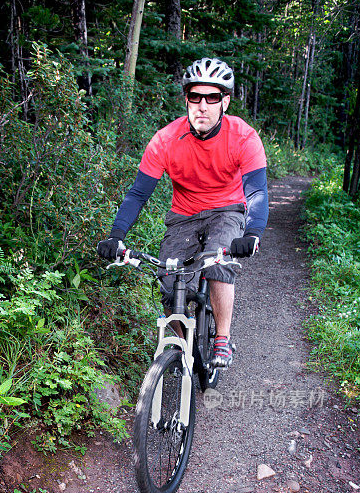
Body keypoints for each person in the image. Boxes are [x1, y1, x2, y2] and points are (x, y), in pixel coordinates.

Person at [97, 57, 269, 368]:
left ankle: (222, 340)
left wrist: (253, 233)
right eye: (195, 96)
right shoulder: (165, 140)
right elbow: (138, 194)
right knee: (168, 280)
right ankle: (182, 349)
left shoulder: (243, 137)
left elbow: (256, 192)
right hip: (184, 215)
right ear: (186, 99)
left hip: (227, 209)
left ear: (225, 102)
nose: (202, 106)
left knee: (219, 260)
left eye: (212, 97)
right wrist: (116, 236)